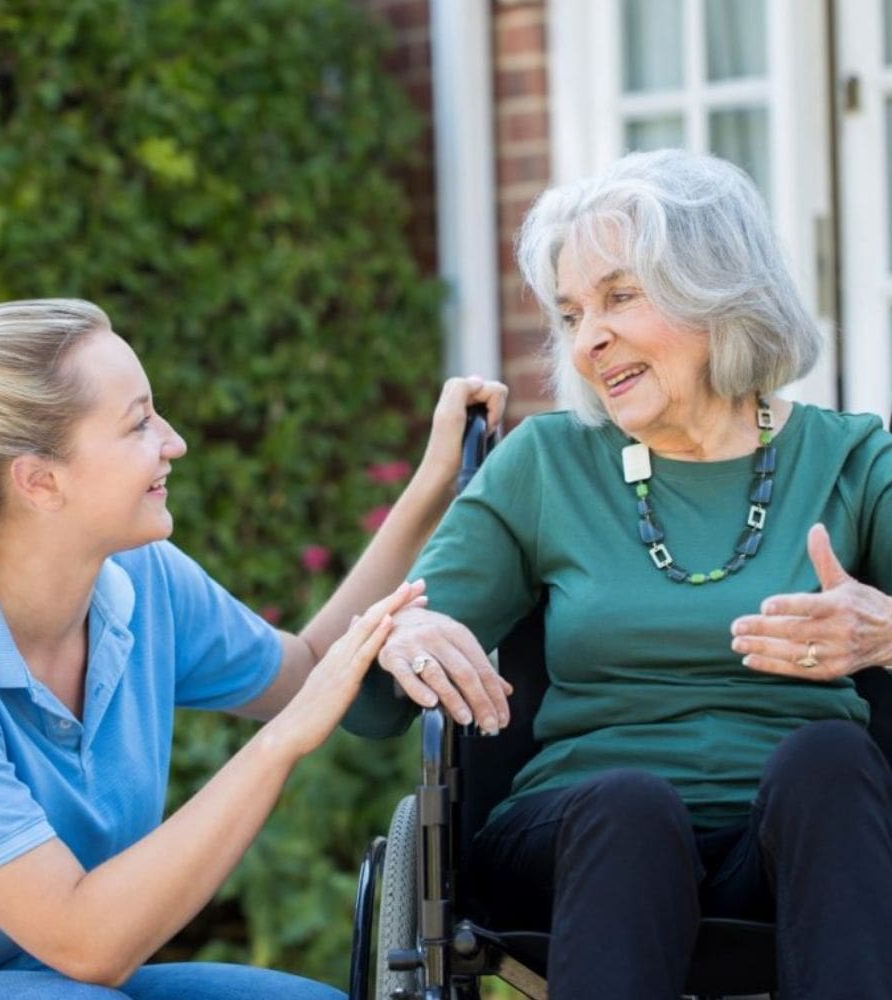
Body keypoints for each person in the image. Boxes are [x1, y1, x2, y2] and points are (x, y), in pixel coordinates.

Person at [343, 148, 892, 998]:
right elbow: (368, 705)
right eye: (570, 314)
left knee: (830, 760)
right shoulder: (548, 464)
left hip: (798, 851)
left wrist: (886, 632)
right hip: (582, 843)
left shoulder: (852, 458)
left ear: (717, 290)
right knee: (631, 807)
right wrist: (406, 634)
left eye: (620, 297)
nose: (588, 338)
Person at [0, 297, 507, 1000]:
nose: (174, 441)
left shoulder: (139, 580)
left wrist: (432, 485)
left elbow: (303, 668)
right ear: (39, 480)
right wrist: (282, 743)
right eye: (139, 423)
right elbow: (87, 944)